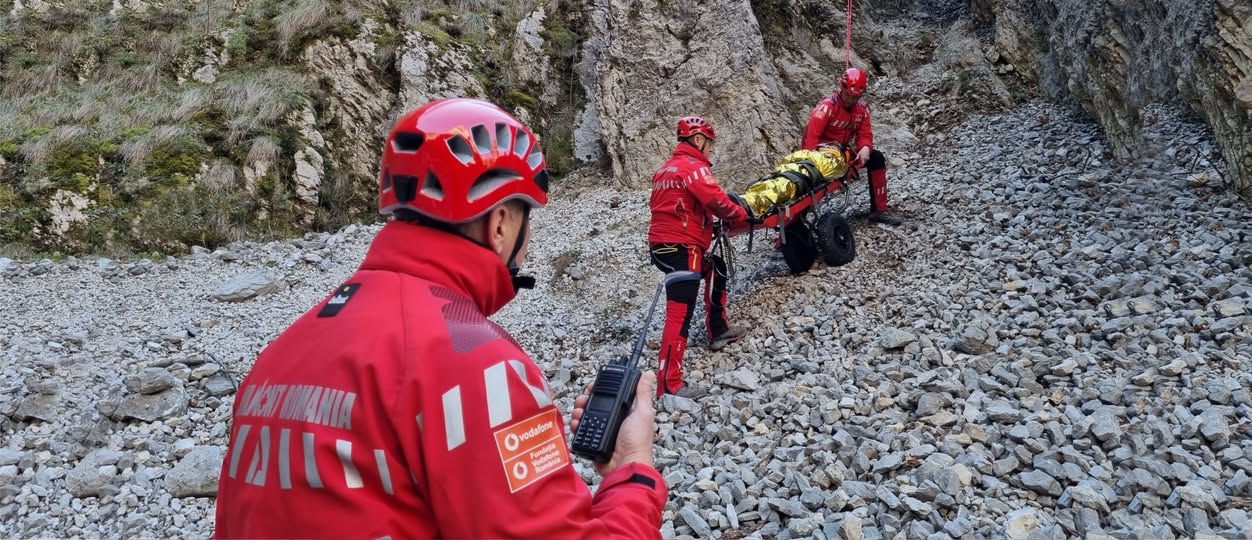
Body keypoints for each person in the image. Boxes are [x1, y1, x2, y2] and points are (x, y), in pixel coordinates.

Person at [214, 98, 667, 539]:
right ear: (501, 224)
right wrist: (632, 472)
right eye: (526, 221)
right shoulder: (477, 361)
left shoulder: (286, 348)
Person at [646, 115, 752, 399]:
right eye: (710, 142)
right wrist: (742, 215)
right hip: (683, 248)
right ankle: (670, 384)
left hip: (662, 246)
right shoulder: (694, 168)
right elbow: (718, 201)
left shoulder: (665, 169)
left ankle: (718, 329)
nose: (712, 148)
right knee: (679, 315)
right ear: (697, 139)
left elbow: (679, 206)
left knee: (716, 266)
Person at [801, 67, 902, 225]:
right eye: (848, 95)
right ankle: (794, 225)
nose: (850, 100)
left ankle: (879, 210)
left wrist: (865, 148)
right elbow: (810, 138)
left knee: (876, 158)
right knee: (807, 186)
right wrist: (810, 164)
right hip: (821, 155)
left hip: (843, 154)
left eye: (855, 97)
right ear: (842, 89)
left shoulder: (861, 110)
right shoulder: (826, 108)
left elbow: (865, 134)